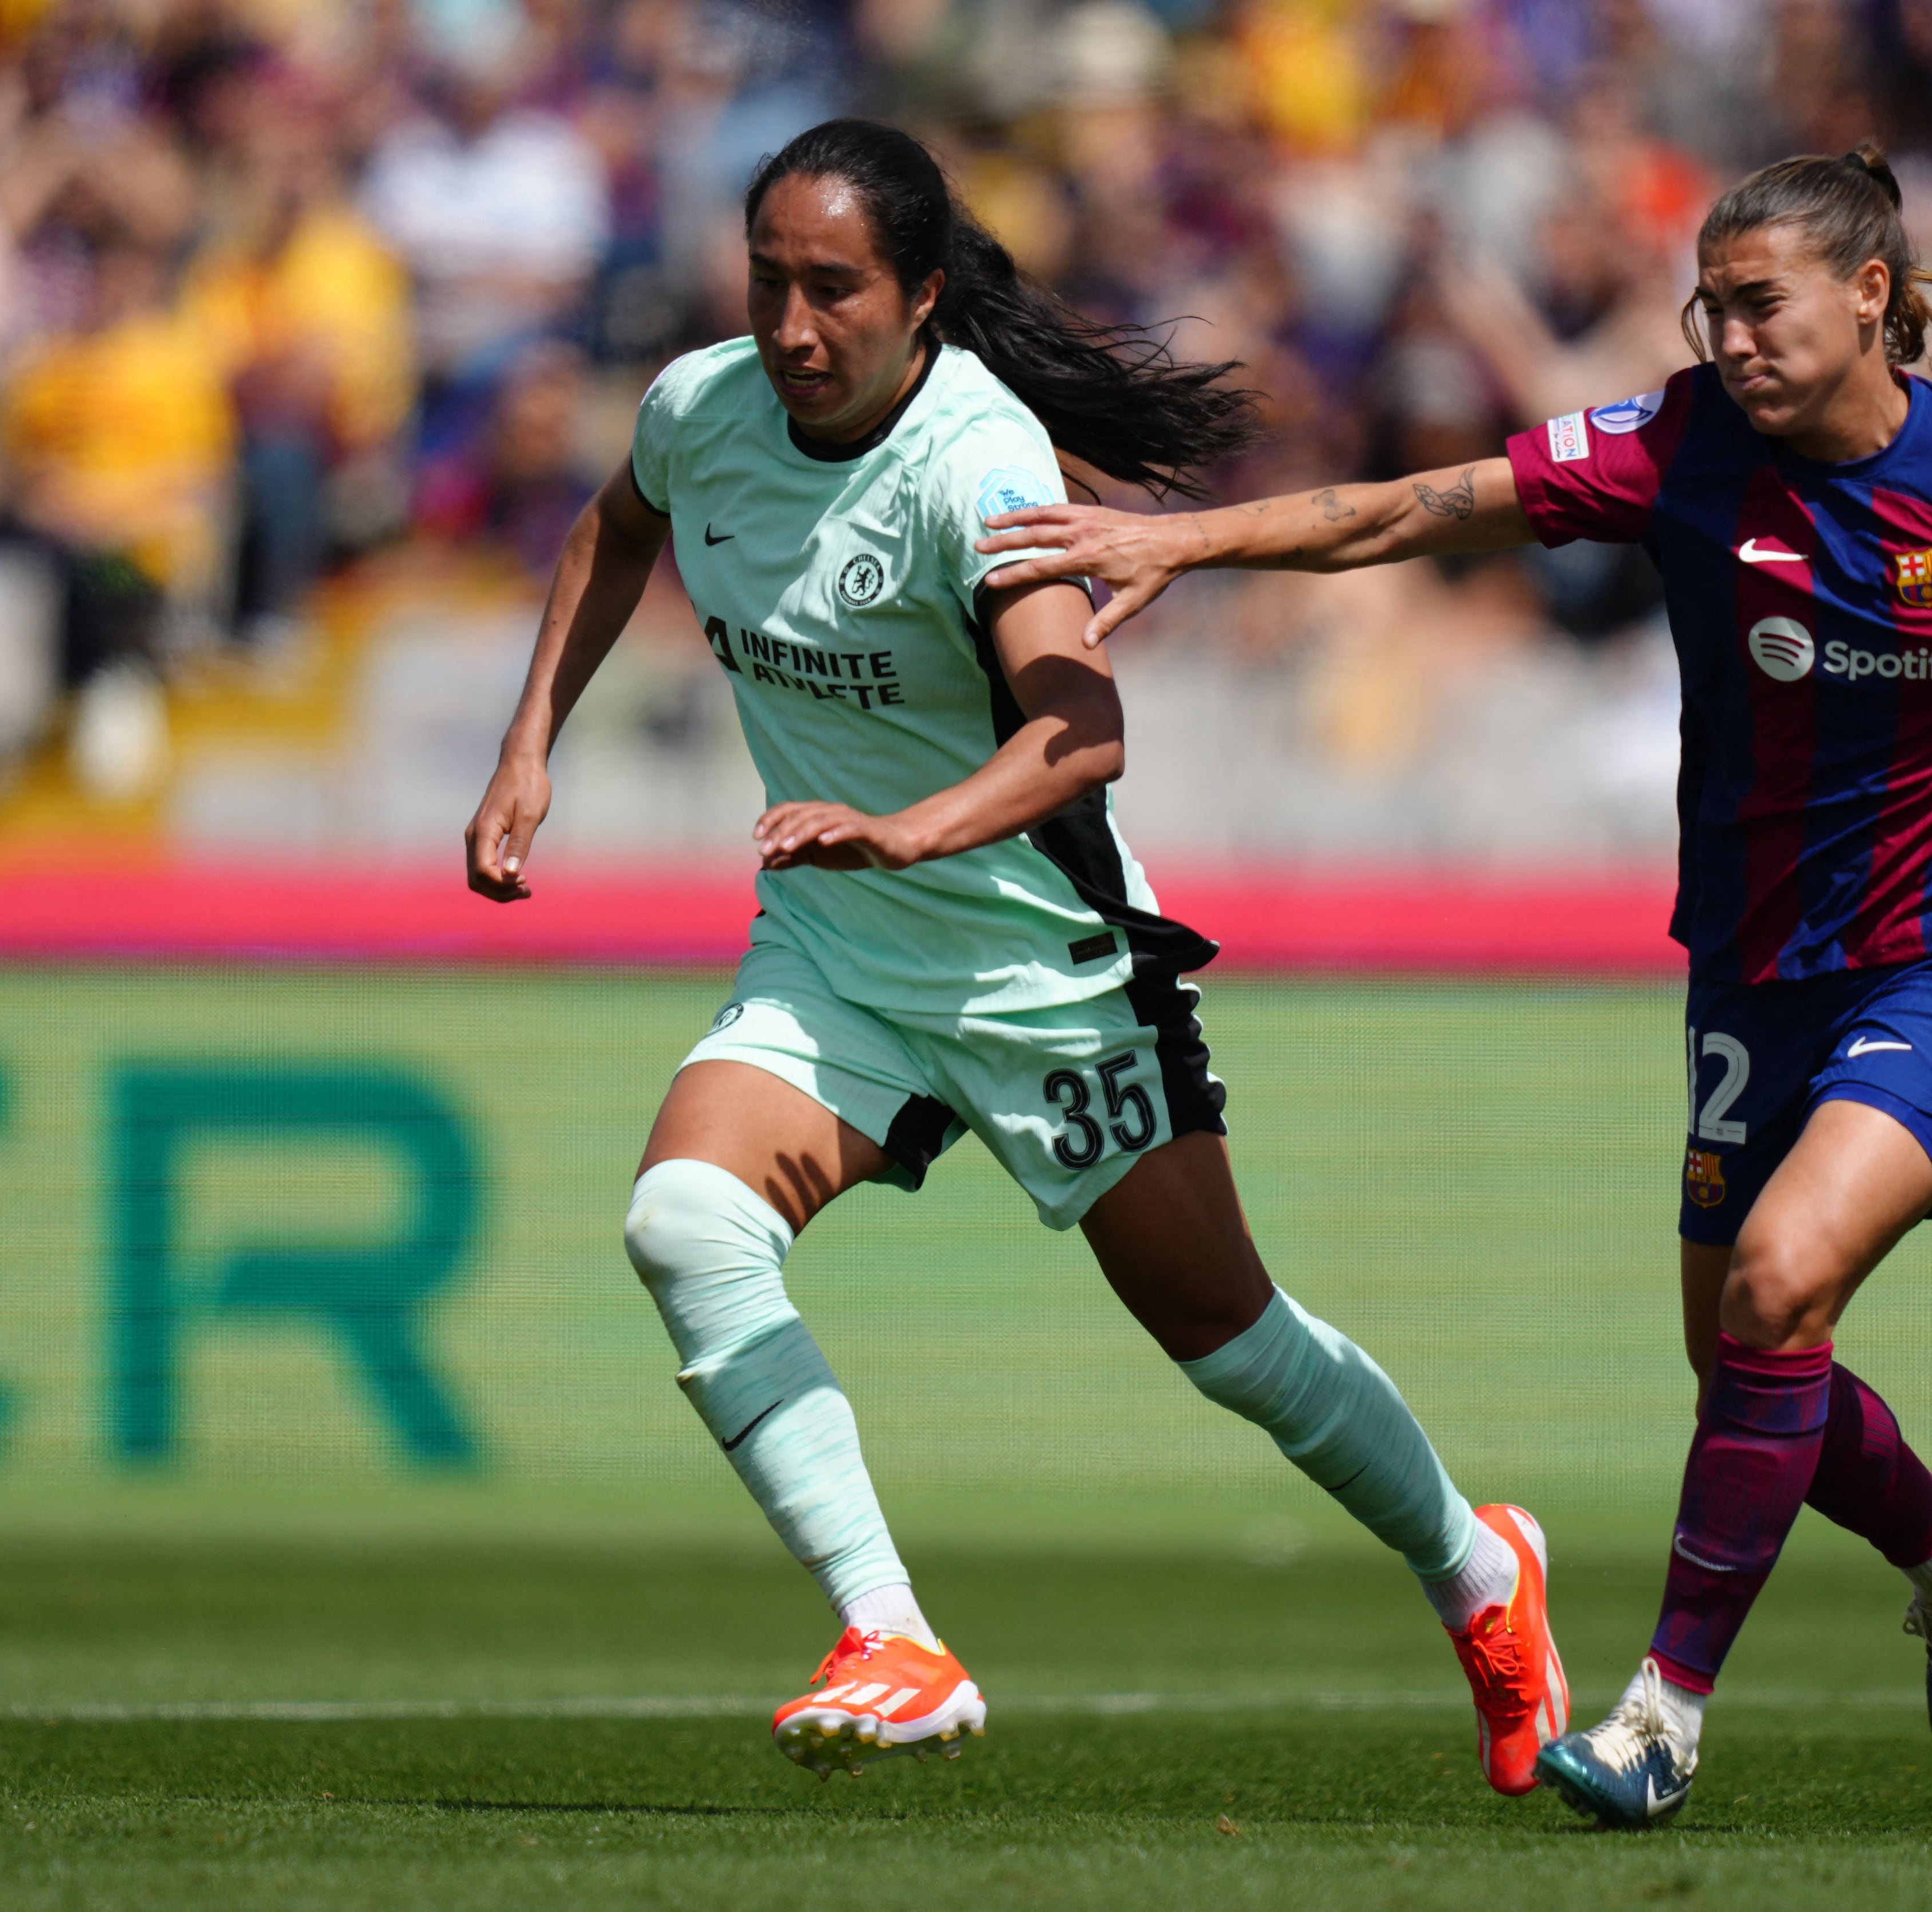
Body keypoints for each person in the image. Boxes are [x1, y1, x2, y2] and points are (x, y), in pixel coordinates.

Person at [975, 143, 1932, 1827]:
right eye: (1712, 309)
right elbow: (1413, 508)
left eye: (1761, 305)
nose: (1731, 339)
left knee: (1778, 1281)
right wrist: (1186, 542)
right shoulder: (1682, 444)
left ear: (1870, 295)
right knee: (1745, 1356)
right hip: (1757, 971)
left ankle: (1661, 1717)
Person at [460, 119, 1567, 1791]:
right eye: (768, 283)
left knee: (1230, 1340)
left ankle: (1481, 1571)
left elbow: (1081, 735)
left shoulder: (978, 462)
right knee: (683, 1222)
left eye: (834, 289)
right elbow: (616, 531)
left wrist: (912, 830)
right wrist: (529, 743)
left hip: (1040, 970)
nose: (793, 327)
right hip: (837, 956)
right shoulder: (701, 409)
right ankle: (891, 1637)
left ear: (921, 296)